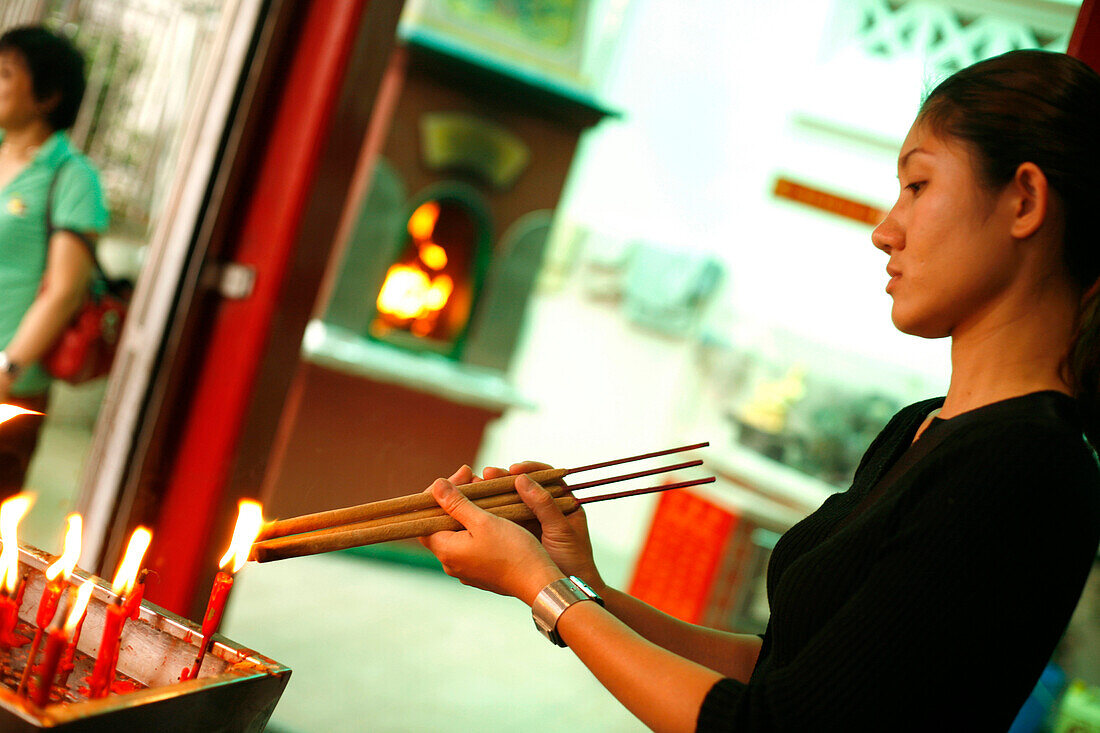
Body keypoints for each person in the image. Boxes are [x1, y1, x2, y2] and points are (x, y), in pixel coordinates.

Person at [417, 48, 1100, 731]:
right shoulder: (921, 426)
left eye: (917, 186)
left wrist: (537, 586)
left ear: (1024, 200)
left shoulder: (1028, 467)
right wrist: (579, 586)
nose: (885, 231)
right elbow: (775, 670)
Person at [0, 25, 109, 500]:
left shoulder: (72, 176)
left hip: (9, 387)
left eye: (4, 73)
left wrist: (7, 368)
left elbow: (65, 291)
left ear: (48, 96)